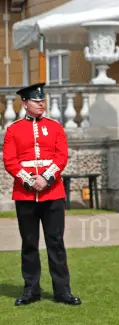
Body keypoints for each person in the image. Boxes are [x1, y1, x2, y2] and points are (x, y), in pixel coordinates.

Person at [3, 83, 81, 307]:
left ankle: (62, 291)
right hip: (25, 196)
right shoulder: (13, 130)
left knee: (55, 243)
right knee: (29, 243)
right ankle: (31, 290)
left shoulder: (55, 127)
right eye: (36, 101)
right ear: (25, 103)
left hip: (52, 193)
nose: (41, 104)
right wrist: (30, 181)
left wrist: (45, 179)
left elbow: (61, 156)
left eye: (42, 100)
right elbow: (10, 161)